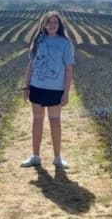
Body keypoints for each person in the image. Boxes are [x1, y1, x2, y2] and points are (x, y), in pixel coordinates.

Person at [20, 11, 75, 169]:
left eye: (55, 22)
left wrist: (66, 91)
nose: (52, 25)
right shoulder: (38, 40)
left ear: (59, 25)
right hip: (37, 87)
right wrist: (27, 86)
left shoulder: (65, 43)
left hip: (55, 90)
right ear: (44, 25)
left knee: (55, 121)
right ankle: (35, 156)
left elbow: (69, 69)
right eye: (49, 22)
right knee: (37, 121)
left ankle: (57, 158)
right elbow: (31, 65)